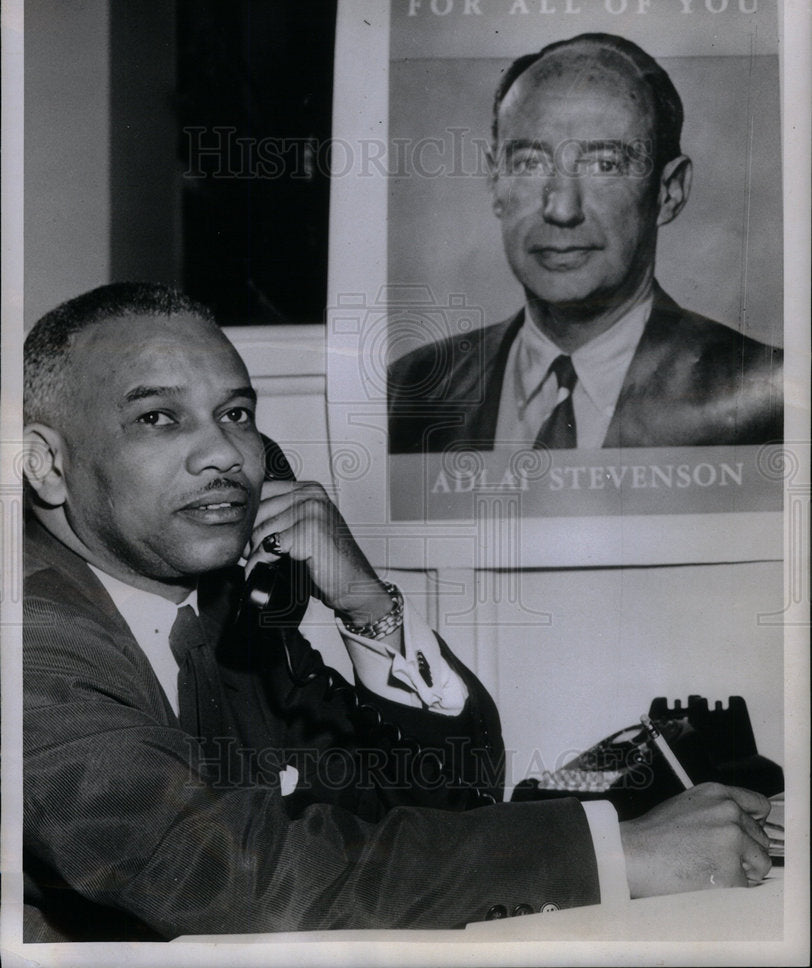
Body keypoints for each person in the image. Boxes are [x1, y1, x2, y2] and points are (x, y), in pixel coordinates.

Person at [22, 282, 773, 941]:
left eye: (238, 413)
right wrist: (618, 852)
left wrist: (366, 606)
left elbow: (447, 794)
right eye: (159, 418)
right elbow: (225, 875)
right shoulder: (32, 645)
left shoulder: (223, 613)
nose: (224, 454)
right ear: (48, 465)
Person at [388, 32, 782, 454]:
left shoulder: (770, 398)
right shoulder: (409, 389)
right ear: (495, 181)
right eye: (529, 162)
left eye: (605, 164)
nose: (561, 209)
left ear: (669, 192)